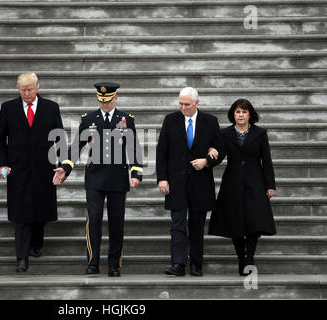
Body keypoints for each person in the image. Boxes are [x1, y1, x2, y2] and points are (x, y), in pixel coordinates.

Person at [53, 82, 143, 277]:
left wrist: (136, 174)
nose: (105, 104)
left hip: (118, 178)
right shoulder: (89, 119)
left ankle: (114, 264)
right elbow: (76, 147)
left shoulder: (126, 119)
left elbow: (134, 149)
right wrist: (65, 168)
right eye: (101, 101)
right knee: (93, 221)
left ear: (115, 98)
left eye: (108, 101)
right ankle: (93, 262)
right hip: (95, 178)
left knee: (116, 222)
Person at [0, 73, 64, 273]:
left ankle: (36, 244)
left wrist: (64, 165)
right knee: (21, 215)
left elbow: (59, 137)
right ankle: (21, 259)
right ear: (18, 89)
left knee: (40, 211)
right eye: (23, 90)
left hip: (45, 168)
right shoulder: (8, 108)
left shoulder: (51, 107)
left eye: (30, 89)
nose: (26, 93)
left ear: (37, 88)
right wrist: (1, 164)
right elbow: (0, 139)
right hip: (18, 170)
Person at [156, 87, 224, 277]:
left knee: (197, 225)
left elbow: (221, 148)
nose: (183, 107)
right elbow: (162, 151)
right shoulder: (171, 120)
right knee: (177, 224)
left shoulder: (210, 121)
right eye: (180, 104)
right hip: (176, 183)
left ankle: (196, 264)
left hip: (200, 183)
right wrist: (162, 178)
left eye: (187, 104)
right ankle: (178, 263)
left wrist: (207, 161)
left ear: (197, 103)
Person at [208, 98, 276, 276]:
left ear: (250, 115)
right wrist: (210, 152)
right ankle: (241, 257)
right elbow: (219, 155)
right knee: (235, 221)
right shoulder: (225, 134)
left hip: (256, 182)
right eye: (238, 112)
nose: (241, 115)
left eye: (244, 112)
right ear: (233, 114)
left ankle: (250, 258)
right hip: (233, 183)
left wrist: (270, 185)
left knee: (254, 222)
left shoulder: (260, 134)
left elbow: (267, 161)